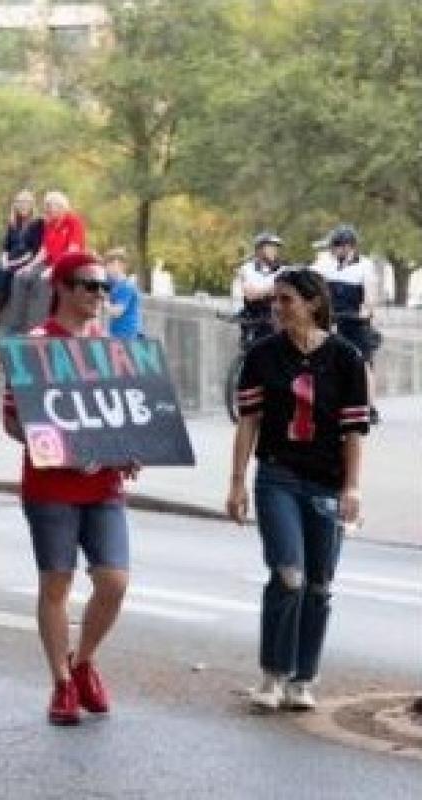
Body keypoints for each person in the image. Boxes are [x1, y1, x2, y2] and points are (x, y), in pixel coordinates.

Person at [3, 251, 139, 726]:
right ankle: (61, 681)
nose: (98, 296)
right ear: (62, 287)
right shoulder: (35, 345)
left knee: (114, 582)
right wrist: (59, 449)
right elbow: (14, 421)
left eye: (104, 288)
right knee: (56, 583)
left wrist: (130, 447)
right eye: (88, 285)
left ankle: (83, 661)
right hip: (51, 484)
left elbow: (124, 413)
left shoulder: (110, 345)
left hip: (104, 482)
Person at [226, 267, 369, 712]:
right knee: (289, 575)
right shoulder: (262, 356)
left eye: (286, 300)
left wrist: (353, 487)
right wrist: (236, 483)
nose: (277, 308)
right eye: (275, 300)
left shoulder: (346, 359)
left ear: (312, 303)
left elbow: (355, 432)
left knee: (320, 584)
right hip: (277, 476)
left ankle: (303, 680)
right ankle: (272, 674)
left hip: (327, 480)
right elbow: (248, 421)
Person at [312, 224, 381, 424]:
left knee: (363, 362)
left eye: (341, 246)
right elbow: (313, 281)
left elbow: (370, 296)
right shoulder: (326, 265)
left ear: (351, 247)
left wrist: (366, 312)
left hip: (354, 321)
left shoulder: (365, 266)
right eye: (335, 246)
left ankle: (370, 406)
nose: (337, 250)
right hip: (332, 318)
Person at [5, 190, 86, 333]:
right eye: (46, 205)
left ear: (61, 207)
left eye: (49, 205)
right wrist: (28, 266)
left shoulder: (74, 222)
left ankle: (35, 329)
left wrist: (54, 268)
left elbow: (72, 252)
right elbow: (44, 251)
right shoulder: (49, 223)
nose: (46, 208)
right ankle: (15, 327)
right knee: (20, 277)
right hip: (48, 263)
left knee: (44, 281)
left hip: (67, 266)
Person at [0, 190, 44, 327]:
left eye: (26, 203)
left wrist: (13, 263)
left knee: (4, 273)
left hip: (26, 261)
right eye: (19, 202)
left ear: (32, 205)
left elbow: (33, 251)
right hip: (11, 259)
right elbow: (6, 247)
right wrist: (5, 260)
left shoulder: (37, 224)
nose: (22, 206)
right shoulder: (13, 224)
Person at [233, 231, 284, 347]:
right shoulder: (247, 269)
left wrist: (263, 291)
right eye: (270, 247)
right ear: (259, 250)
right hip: (253, 317)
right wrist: (270, 290)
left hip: (276, 318)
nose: (274, 251)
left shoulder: (283, 270)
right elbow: (250, 295)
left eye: (275, 248)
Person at [104, 247, 142, 339]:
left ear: (121, 266)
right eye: (107, 264)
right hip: (116, 333)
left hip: (127, 336)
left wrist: (104, 302)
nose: (107, 267)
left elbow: (117, 312)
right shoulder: (114, 284)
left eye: (111, 264)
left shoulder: (126, 286)